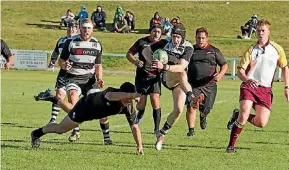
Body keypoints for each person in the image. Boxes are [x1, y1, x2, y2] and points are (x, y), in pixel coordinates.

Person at [37, 18, 108, 143]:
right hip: (73, 78)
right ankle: (75, 130)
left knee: (101, 109)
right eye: (84, 28)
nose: (86, 30)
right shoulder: (70, 43)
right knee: (73, 102)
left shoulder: (97, 44)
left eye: (89, 28)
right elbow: (61, 60)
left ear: (93, 29)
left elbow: (98, 65)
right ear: (80, 28)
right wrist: (64, 65)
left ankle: (107, 137)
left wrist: (100, 78)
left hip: (90, 81)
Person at [226, 19, 289, 152]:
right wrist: (247, 79)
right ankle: (231, 146)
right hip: (249, 86)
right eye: (258, 31)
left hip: (265, 90)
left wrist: (286, 87)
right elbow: (240, 71)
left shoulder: (277, 49)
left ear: (268, 32)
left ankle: (236, 115)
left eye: (263, 30)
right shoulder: (251, 50)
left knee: (261, 122)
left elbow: (284, 67)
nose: (260, 33)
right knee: (244, 114)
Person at [31, 82, 144, 155]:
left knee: (70, 111)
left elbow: (134, 127)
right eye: (126, 97)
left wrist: (139, 146)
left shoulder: (128, 107)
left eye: (130, 99)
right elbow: (112, 97)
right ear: (122, 93)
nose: (128, 101)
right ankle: (36, 133)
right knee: (61, 129)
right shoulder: (112, 92)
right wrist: (132, 95)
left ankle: (55, 99)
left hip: (95, 113)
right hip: (86, 106)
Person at [142, 24, 204, 151]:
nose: (175, 40)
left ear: (183, 37)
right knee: (181, 73)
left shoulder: (188, 48)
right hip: (168, 78)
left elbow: (181, 66)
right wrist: (153, 62)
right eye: (174, 36)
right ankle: (192, 97)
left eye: (178, 37)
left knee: (178, 110)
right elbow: (145, 51)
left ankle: (162, 133)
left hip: (179, 82)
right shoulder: (165, 42)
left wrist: (164, 65)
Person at [185, 27, 228, 137]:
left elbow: (224, 64)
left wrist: (220, 75)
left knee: (206, 109)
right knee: (191, 105)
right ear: (195, 38)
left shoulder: (214, 51)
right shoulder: (190, 50)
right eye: (198, 38)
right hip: (193, 84)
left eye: (203, 38)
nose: (201, 40)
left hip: (209, 85)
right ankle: (191, 130)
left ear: (207, 38)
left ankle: (203, 116)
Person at [126, 24, 163, 133]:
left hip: (155, 77)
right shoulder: (141, 42)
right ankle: (140, 113)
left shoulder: (163, 44)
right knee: (141, 104)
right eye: (154, 31)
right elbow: (129, 54)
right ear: (150, 32)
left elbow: (168, 58)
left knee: (155, 100)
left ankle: (156, 129)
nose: (156, 34)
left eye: (159, 32)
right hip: (142, 77)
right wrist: (135, 61)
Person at [45, 21, 78, 125]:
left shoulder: (79, 40)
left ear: (77, 29)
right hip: (63, 72)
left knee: (72, 98)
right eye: (69, 28)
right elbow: (56, 52)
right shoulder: (61, 40)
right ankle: (53, 120)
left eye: (73, 28)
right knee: (59, 95)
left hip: (77, 73)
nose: (71, 30)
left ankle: (75, 125)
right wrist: (52, 61)